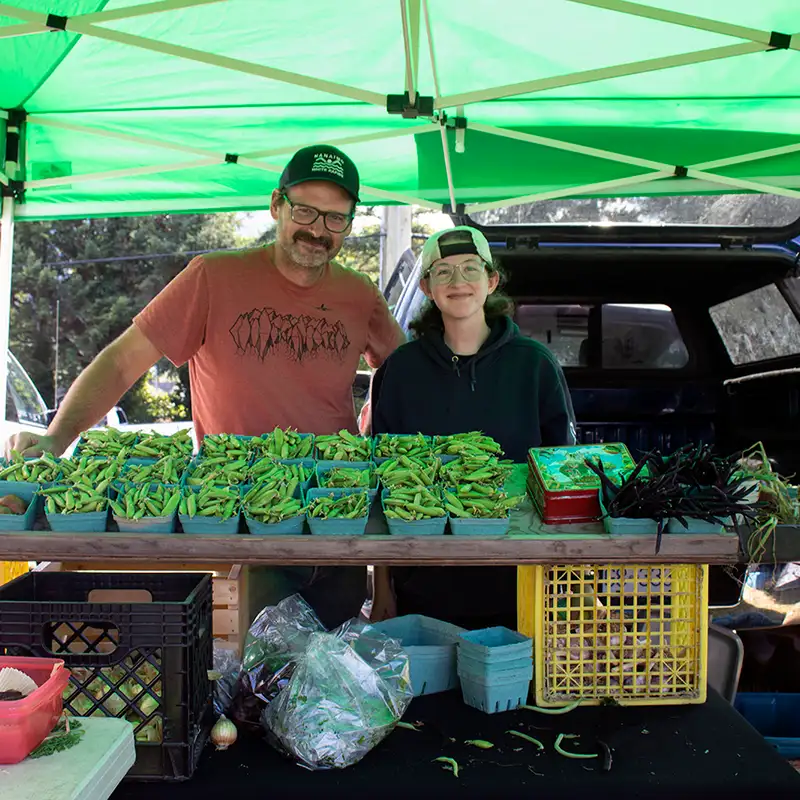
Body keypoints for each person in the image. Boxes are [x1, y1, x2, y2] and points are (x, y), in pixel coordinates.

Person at [5, 144, 406, 629]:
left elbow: (408, 377)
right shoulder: (213, 277)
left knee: (334, 683)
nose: (318, 230)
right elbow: (121, 363)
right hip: (240, 523)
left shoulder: (358, 294)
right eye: (305, 211)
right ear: (277, 205)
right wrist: (55, 439)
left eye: (335, 219)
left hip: (336, 519)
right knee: (251, 686)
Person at [369, 225, 576, 630]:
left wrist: (561, 585)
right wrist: (382, 587)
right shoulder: (400, 371)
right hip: (423, 586)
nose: (458, 282)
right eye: (443, 272)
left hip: (519, 583)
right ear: (427, 287)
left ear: (491, 280)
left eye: (469, 269)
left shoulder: (535, 365)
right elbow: (382, 485)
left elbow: (563, 476)